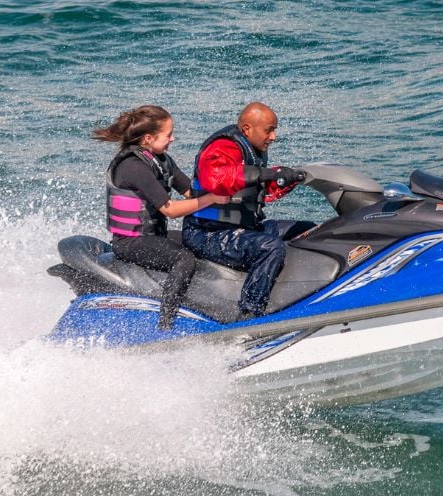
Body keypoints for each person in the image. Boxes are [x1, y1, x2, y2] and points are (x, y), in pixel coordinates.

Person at [93, 105, 230, 329]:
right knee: (183, 258)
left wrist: (229, 190)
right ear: (148, 138)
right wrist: (209, 200)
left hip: (156, 236)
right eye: (168, 135)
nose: (173, 139)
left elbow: (190, 192)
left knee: (200, 240)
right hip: (130, 241)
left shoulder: (162, 160)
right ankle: (166, 321)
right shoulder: (132, 166)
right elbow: (170, 209)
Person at [182, 102, 310, 319]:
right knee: (270, 247)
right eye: (269, 130)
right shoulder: (223, 146)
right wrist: (266, 174)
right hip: (207, 234)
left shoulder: (254, 150)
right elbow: (216, 179)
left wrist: (289, 178)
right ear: (247, 129)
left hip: (243, 227)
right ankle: (249, 313)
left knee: (305, 230)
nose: (274, 137)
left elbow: (260, 190)